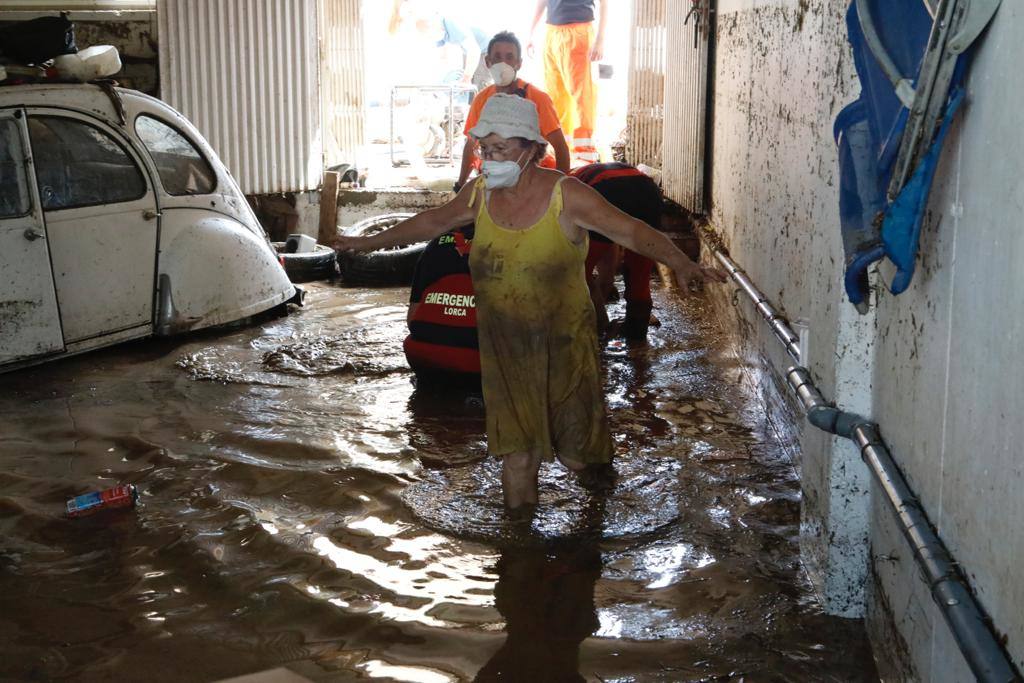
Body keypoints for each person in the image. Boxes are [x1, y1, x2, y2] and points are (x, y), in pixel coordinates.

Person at [334, 94, 725, 512]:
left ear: (530, 149)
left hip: (565, 352)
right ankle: (518, 551)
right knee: (517, 459)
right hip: (505, 353)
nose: (489, 157)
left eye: (500, 149)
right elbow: (434, 221)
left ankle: (600, 507)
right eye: (485, 148)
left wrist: (681, 262)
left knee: (579, 460)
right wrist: (367, 243)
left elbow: (631, 232)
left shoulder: (567, 195)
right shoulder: (480, 193)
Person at [455, 31, 570, 192]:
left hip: (533, 180)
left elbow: (561, 147)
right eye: (497, 56)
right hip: (494, 180)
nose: (503, 63)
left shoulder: (538, 98)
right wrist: (459, 186)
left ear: (519, 63)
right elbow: (470, 146)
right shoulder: (481, 99)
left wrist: (559, 190)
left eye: (509, 57)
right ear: (488, 62)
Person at [570, 162, 663, 340]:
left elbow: (586, 261)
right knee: (640, 270)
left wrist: (600, 284)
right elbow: (610, 240)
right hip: (648, 191)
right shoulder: (583, 173)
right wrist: (607, 281)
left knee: (580, 273)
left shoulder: (567, 186)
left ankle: (598, 332)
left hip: (604, 190)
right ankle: (637, 333)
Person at [528, 0, 607, 164]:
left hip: (579, 31)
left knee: (582, 95)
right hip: (552, 33)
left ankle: (584, 156)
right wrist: (530, 32)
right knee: (555, 96)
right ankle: (561, 152)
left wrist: (600, 40)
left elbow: (605, 4)